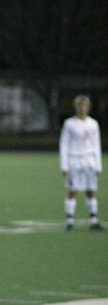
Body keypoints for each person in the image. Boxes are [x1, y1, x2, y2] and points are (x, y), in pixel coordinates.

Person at [59, 95, 103, 231]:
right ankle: (69, 220)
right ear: (76, 107)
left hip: (89, 160)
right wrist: (64, 164)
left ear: (88, 107)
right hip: (74, 160)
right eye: (80, 105)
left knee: (91, 190)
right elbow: (64, 144)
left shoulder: (93, 124)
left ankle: (93, 220)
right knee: (73, 190)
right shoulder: (69, 123)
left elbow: (96, 145)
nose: (82, 108)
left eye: (84, 105)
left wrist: (98, 164)